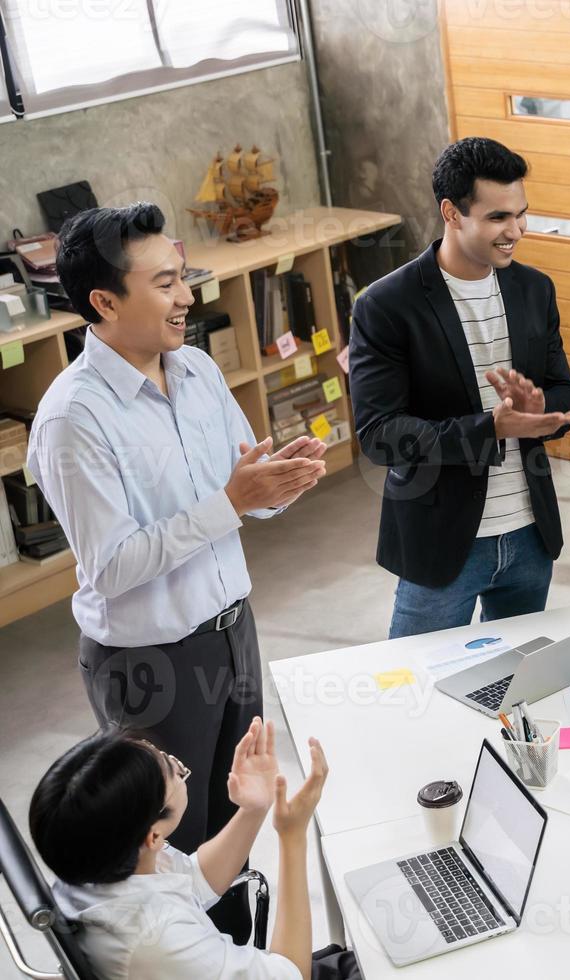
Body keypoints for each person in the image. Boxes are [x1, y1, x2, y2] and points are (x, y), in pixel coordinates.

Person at [27, 203, 327, 937]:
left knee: (242, 811)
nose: (189, 296)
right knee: (171, 845)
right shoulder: (74, 419)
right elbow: (115, 564)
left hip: (233, 630)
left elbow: (240, 493)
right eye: (165, 283)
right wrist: (233, 501)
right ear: (104, 301)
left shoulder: (193, 369)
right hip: (148, 661)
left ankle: (244, 956)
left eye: (184, 276)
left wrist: (274, 486)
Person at [350, 137, 570, 638]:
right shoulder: (387, 305)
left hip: (529, 537)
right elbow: (380, 434)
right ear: (452, 213)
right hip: (442, 545)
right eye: (498, 218)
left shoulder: (534, 289)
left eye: (521, 214)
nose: (515, 231)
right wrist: (489, 428)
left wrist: (543, 407)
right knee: (420, 692)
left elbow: (567, 392)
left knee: (515, 692)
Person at [29, 719, 349, 979]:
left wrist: (254, 808)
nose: (177, 763)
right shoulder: (160, 939)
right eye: (175, 771)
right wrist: (293, 837)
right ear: (153, 836)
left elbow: (191, 881)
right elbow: (292, 975)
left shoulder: (94, 859)